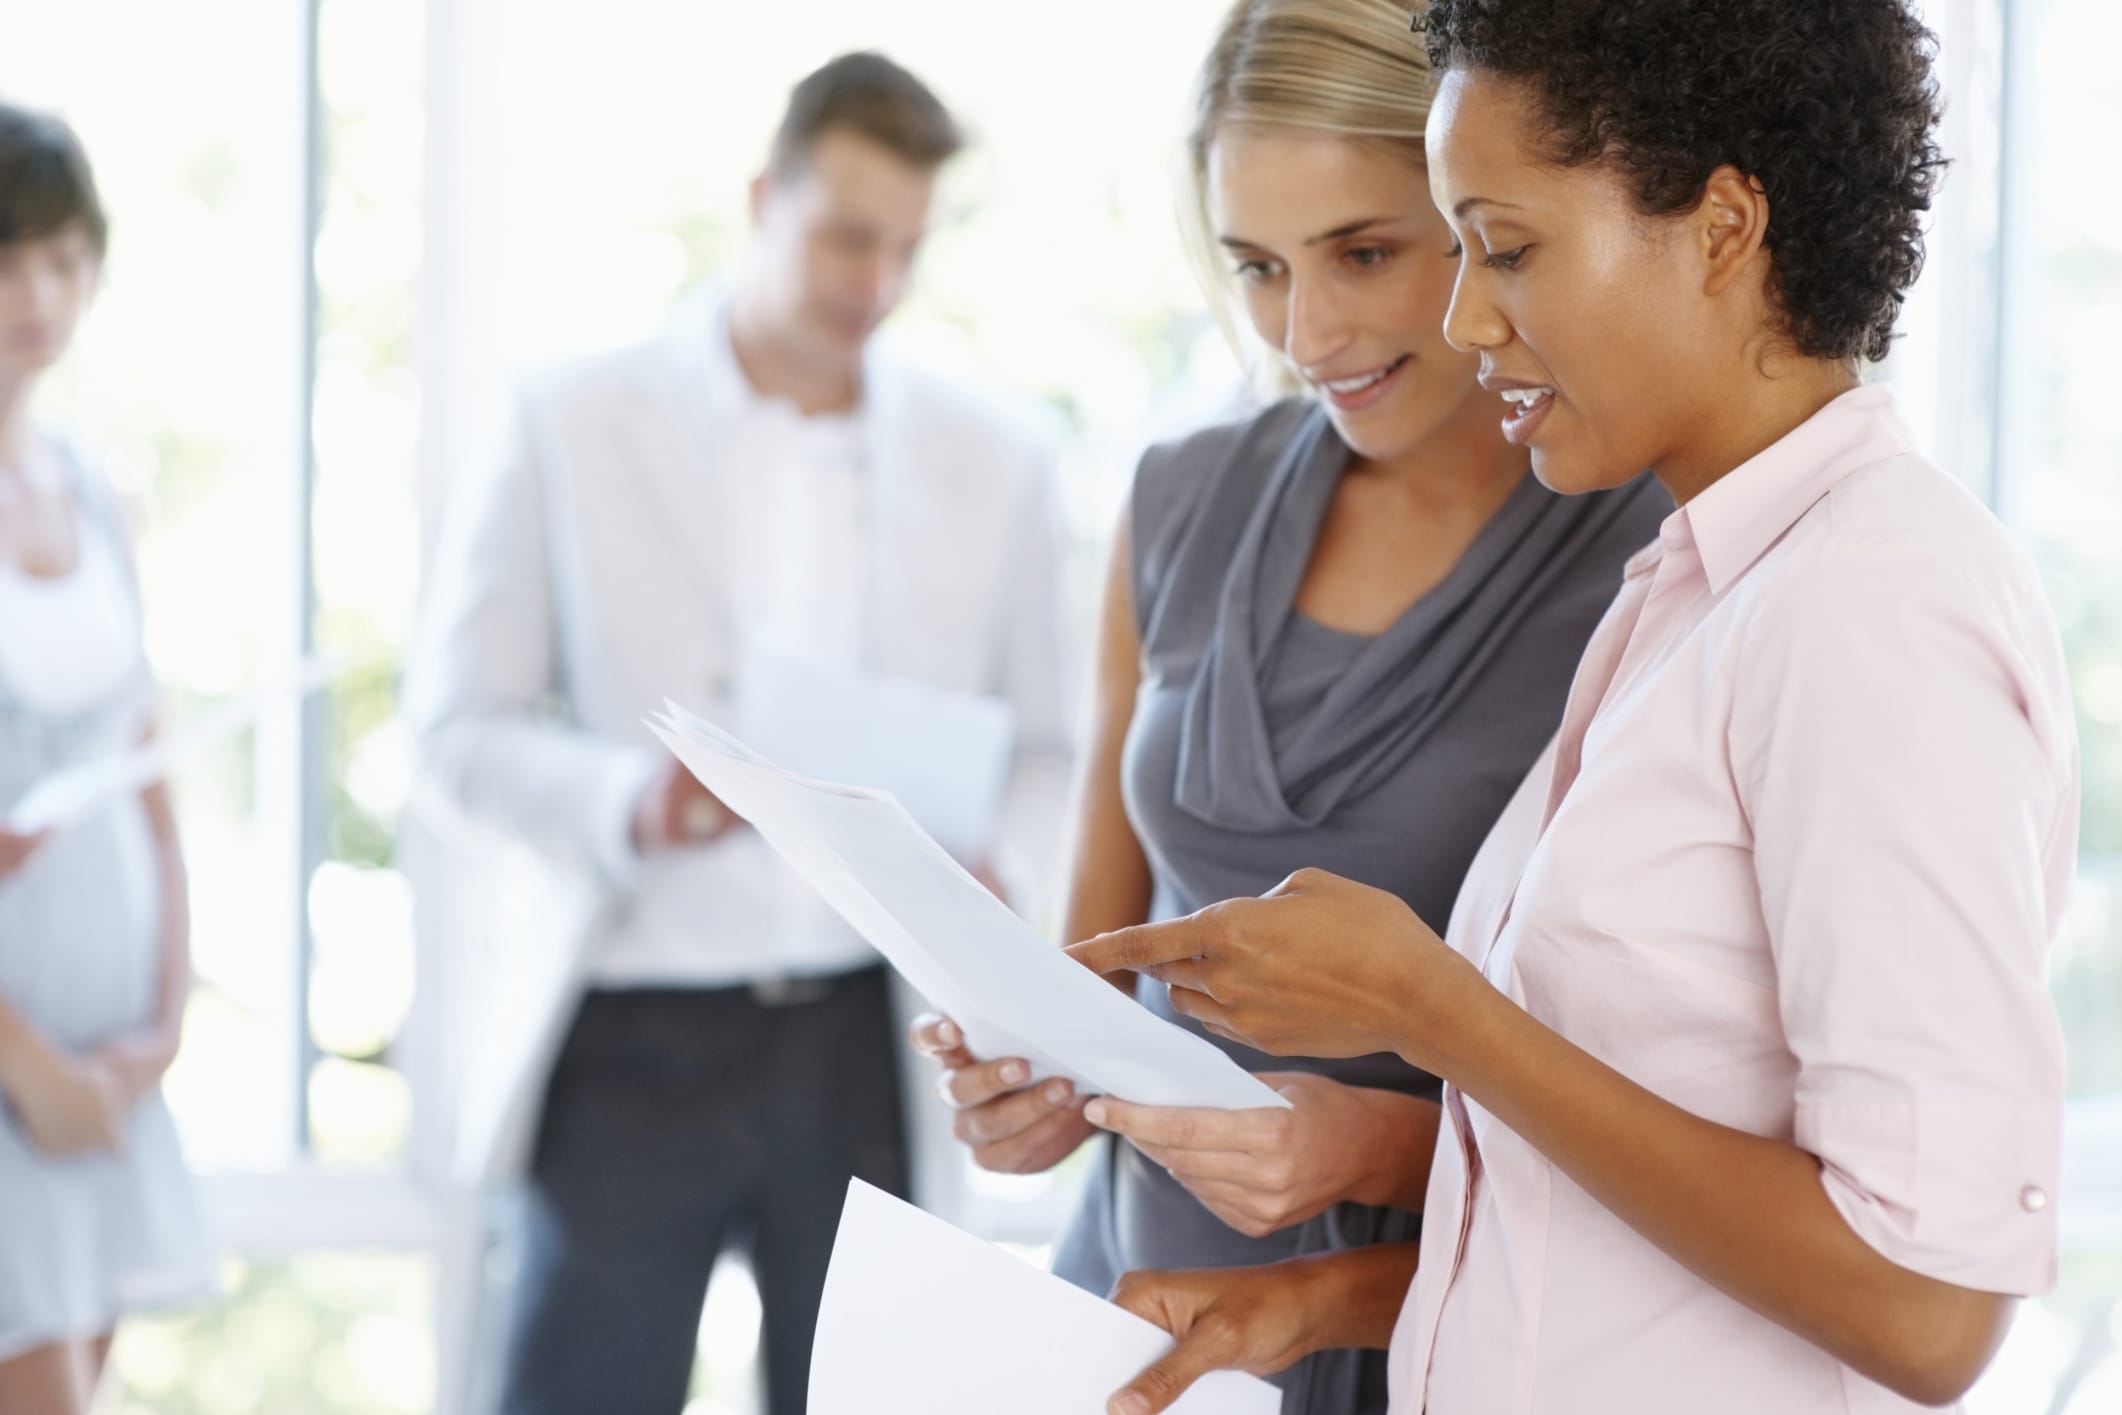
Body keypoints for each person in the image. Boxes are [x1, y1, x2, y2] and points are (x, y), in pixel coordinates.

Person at [1070, 3, 2076, 1413]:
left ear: (1723, 228)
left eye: (1509, 247)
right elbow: (1646, 1192)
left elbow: (1926, 1308)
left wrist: (1434, 1012)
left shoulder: (1874, 611)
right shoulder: (1691, 588)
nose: (1467, 315)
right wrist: (1319, 1286)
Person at [906, 3, 1664, 1410]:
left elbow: (1691, 1136)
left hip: (1463, 1330)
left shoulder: (1645, 548)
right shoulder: (1179, 501)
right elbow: (1097, 964)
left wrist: (1380, 1143)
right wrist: (1037, 1084)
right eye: (1257, 268)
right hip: (1141, 1330)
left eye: (1362, 254)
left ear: (1478, 212)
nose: (1307, 334)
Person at [405, 51, 1071, 1415]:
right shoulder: (567, 419)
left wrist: (1002, 886)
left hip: (861, 1037)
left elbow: (1054, 753)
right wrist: (629, 802)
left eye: (903, 249)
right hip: (626, 1036)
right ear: (764, 197)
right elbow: (452, 732)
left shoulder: (996, 456)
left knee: (863, 1400)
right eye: (842, 236)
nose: (870, 284)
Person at [0, 104, 215, 1415]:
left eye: (67, 258)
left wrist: (163, 1031)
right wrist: (30, 1069)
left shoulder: (86, 482)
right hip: (22, 1087)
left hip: (102, 1089)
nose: (39, 293)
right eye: (9, 256)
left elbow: (152, 782)